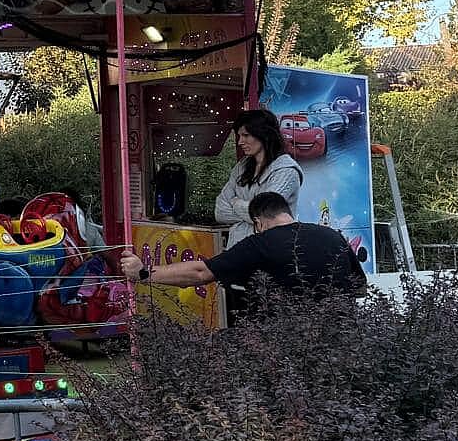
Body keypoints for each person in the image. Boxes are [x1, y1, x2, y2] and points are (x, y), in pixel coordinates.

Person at [122, 191, 363, 322]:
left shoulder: (259, 244)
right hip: (343, 339)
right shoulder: (333, 236)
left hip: (288, 345)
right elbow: (360, 288)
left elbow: (201, 272)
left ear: (257, 222)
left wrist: (143, 273)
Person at [214, 109, 304, 248]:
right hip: (237, 250)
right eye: (239, 136)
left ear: (264, 134)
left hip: (270, 251)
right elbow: (220, 212)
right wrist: (251, 212)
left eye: (246, 135)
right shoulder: (241, 167)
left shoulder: (287, 171)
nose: (240, 142)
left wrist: (236, 203)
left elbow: (266, 215)